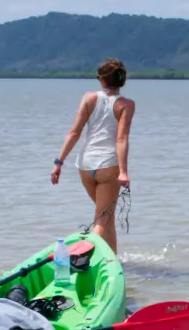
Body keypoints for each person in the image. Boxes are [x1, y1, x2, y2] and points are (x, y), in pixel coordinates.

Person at [50, 58, 134, 252]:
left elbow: (74, 132)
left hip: (85, 166)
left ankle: (112, 258)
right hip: (108, 166)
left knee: (106, 215)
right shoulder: (126, 104)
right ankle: (83, 251)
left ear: (102, 79)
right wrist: (123, 172)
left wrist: (59, 163)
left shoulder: (89, 98)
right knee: (103, 218)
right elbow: (121, 139)